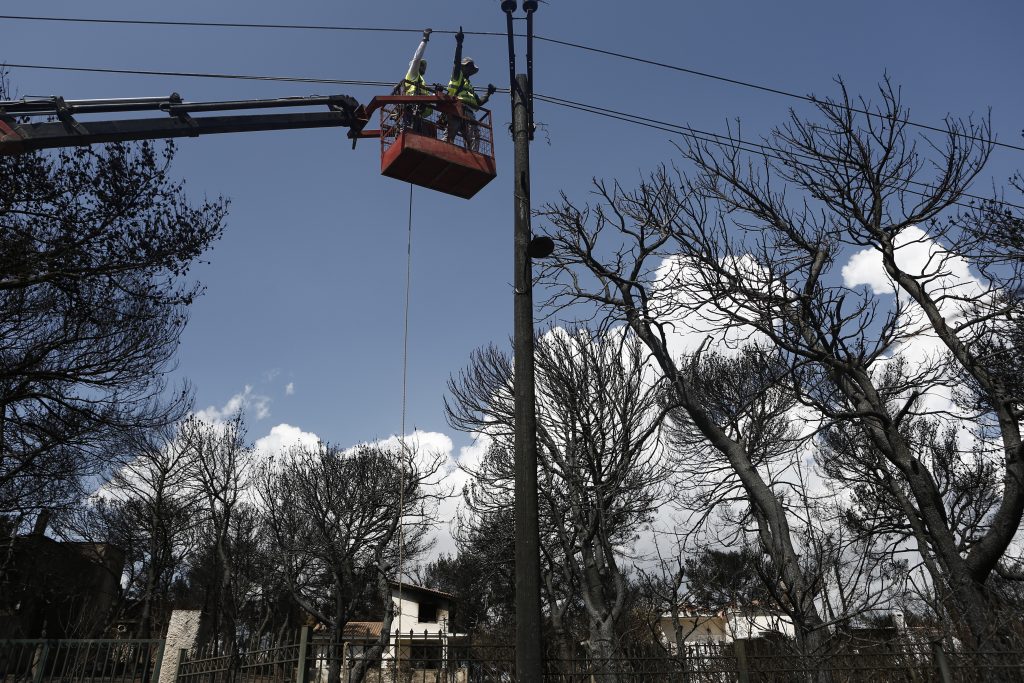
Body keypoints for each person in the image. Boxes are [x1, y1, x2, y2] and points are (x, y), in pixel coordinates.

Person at [445, 28, 496, 151]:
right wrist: (459, 44)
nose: (470, 69)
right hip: (457, 108)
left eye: (471, 67)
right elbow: (456, 62)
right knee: (450, 134)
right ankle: (444, 148)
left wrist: (488, 94)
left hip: (469, 112)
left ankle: (474, 155)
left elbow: (478, 103)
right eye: (468, 66)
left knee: (474, 136)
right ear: (464, 67)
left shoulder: (470, 87)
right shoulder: (457, 76)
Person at [401, 28, 432, 133]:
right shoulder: (413, 73)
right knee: (410, 128)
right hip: (411, 105)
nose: (423, 67)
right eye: (421, 65)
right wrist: (424, 40)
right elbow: (417, 58)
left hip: (419, 110)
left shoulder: (421, 80)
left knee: (418, 131)